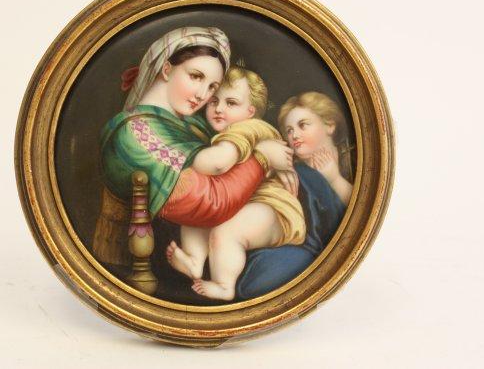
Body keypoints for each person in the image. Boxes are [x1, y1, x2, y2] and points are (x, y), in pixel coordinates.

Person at [92, 27, 296, 271]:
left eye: (212, 87)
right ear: (166, 69)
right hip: (164, 268)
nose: (202, 95)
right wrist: (262, 158)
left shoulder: (191, 123)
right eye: (196, 76)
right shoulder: (135, 133)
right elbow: (211, 203)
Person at [165, 66, 306, 301]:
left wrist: (186, 160)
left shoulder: (248, 128)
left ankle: (224, 285)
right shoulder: (227, 131)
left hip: (272, 211)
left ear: (251, 111)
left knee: (225, 231)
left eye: (231, 103)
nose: (219, 108)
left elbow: (217, 164)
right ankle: (194, 261)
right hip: (239, 204)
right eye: (214, 101)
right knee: (198, 212)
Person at [235, 91, 353, 299]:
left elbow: (356, 214)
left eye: (303, 125)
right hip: (283, 255)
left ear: (329, 125)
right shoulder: (292, 173)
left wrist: (334, 179)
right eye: (289, 130)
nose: (294, 135)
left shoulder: (350, 166)